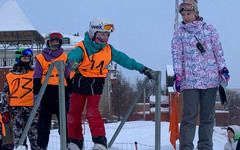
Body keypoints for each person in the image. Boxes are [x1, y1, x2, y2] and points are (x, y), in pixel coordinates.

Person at [66, 18, 157, 150]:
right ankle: (75, 141)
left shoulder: (108, 50)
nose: (105, 38)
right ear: (93, 33)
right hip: (81, 80)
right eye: (102, 34)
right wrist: (71, 62)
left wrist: (142, 68)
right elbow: (73, 55)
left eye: (107, 35)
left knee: (92, 112)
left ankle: (100, 142)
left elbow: (124, 59)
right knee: (74, 111)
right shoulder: (83, 47)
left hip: (96, 82)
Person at [171, 0, 230, 150]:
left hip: (210, 80)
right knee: (189, 117)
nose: (186, 17)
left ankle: (205, 146)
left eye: (189, 13)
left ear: (196, 13)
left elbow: (218, 51)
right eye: (183, 14)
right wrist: (178, 75)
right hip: (189, 81)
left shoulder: (209, 29)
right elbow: (177, 56)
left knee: (207, 118)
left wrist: (223, 69)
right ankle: (186, 147)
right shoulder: (179, 34)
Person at [33, 31, 71, 150]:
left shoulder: (65, 57)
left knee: (65, 123)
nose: (54, 44)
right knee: (44, 124)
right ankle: (42, 146)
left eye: (57, 42)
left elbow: (68, 74)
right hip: (46, 92)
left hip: (61, 91)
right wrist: (36, 96)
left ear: (60, 43)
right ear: (48, 43)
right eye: (52, 42)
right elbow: (37, 76)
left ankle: (67, 145)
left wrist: (70, 92)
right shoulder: (41, 57)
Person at [1, 48, 38, 149]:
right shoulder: (10, 75)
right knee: (19, 138)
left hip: (32, 109)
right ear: (18, 59)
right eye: (24, 58)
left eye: (28, 58)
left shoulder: (35, 74)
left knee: (35, 137)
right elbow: (5, 94)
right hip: (16, 110)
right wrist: (5, 111)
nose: (26, 60)